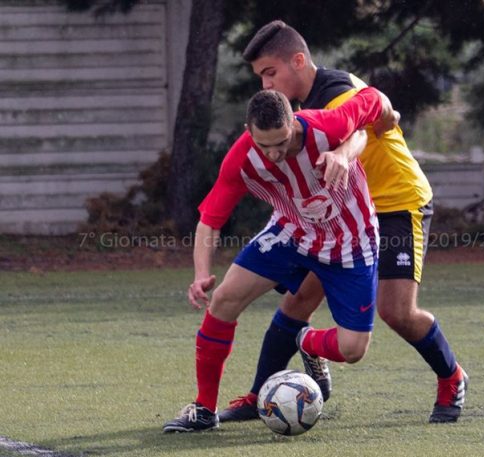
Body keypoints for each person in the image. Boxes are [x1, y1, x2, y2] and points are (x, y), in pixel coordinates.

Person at [219, 20, 467, 425]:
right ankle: (258, 395)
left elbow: (376, 116)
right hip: (345, 216)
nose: (265, 85)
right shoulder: (297, 107)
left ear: (298, 61)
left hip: (394, 205)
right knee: (299, 298)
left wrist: (360, 138)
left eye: (270, 73)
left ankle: (452, 376)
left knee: (396, 312)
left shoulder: (335, 92)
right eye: (261, 77)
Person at [162, 86, 396, 432]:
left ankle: (304, 341)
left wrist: (367, 136)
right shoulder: (242, 158)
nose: (273, 153)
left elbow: (374, 100)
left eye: (281, 143)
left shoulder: (327, 126)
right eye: (264, 145)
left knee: (352, 349)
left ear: (294, 125)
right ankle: (204, 409)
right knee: (224, 299)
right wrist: (200, 274)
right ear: (248, 132)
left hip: (351, 242)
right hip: (292, 233)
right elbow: (210, 220)